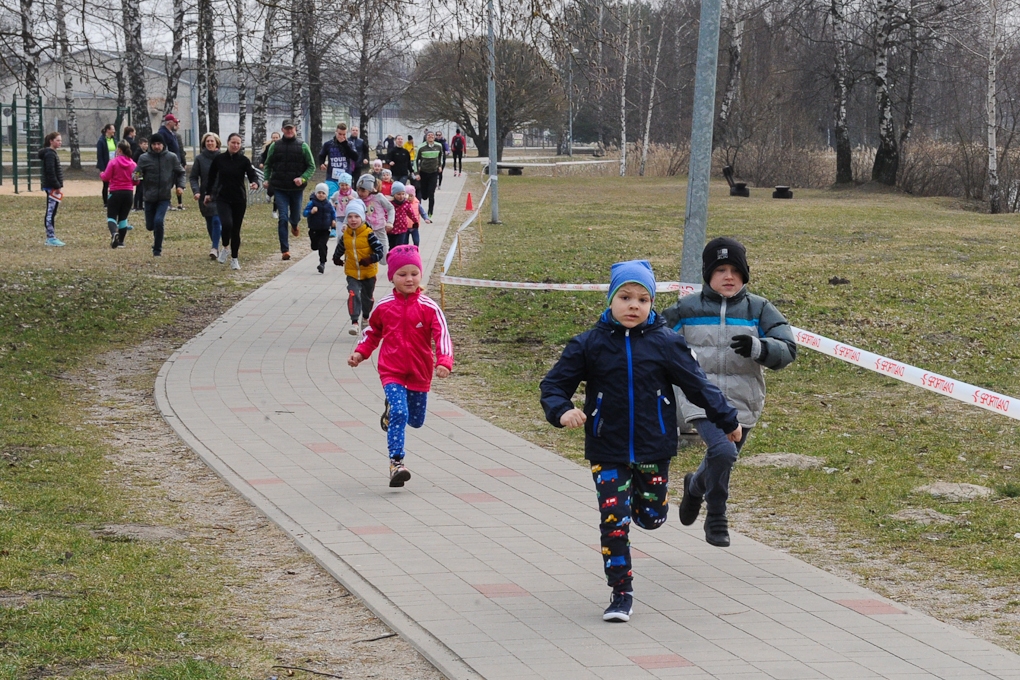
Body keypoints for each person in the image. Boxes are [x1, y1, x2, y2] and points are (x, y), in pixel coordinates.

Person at [540, 260, 741, 623]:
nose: (634, 305)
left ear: (651, 304)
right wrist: (562, 410)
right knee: (613, 520)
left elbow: (697, 385)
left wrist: (727, 418)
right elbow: (554, 386)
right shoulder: (589, 345)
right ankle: (621, 593)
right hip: (607, 447)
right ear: (610, 300)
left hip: (654, 447)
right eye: (625, 297)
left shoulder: (666, 343)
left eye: (643, 299)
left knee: (651, 519)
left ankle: (653, 501)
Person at [662, 237, 797, 547]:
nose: (728, 276)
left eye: (735, 270)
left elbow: (788, 348)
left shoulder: (759, 309)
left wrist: (760, 347)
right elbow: (655, 338)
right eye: (720, 269)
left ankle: (695, 487)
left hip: (743, 400)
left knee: (721, 457)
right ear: (708, 274)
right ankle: (717, 516)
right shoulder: (687, 308)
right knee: (722, 452)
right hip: (698, 396)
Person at [348, 245, 453, 487]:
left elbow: (442, 336)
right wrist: (360, 353)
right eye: (402, 274)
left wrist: (444, 361)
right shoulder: (384, 306)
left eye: (414, 273)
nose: (409, 279)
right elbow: (372, 332)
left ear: (421, 275)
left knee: (415, 420)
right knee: (400, 412)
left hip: (420, 371)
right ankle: (397, 463)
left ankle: (391, 414)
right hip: (391, 370)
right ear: (392, 277)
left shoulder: (429, 307)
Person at [203, 133, 260, 270]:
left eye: (238, 143)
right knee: (227, 224)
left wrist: (255, 183)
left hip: (239, 199)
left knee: (236, 230)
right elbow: (211, 178)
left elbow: (252, 174)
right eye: (233, 143)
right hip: (223, 198)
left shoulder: (244, 160)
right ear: (227, 143)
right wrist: (208, 194)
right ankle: (225, 247)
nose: (235, 145)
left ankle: (234, 258)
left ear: (240, 145)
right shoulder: (219, 159)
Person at [263, 119, 316, 261]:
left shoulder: (303, 146)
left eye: (291, 129)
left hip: (296, 189)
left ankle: (295, 224)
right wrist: (267, 179)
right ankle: (285, 250)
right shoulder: (275, 146)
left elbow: (311, 166)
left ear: (295, 130)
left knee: (295, 216)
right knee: (282, 217)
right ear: (282, 130)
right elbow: (268, 164)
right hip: (280, 188)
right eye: (286, 129)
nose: (289, 131)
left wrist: (303, 178)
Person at [332, 199, 384, 335]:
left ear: (362, 217)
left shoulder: (369, 234)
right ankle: (354, 322)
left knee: (367, 298)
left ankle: (365, 317)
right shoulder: (346, 236)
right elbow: (340, 248)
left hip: (368, 273)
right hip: (352, 272)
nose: (353, 220)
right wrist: (336, 257)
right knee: (353, 294)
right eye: (349, 216)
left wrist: (370, 259)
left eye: (356, 216)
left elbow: (380, 251)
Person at [135, 133, 186, 257]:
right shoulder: (144, 158)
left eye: (159, 144)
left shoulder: (171, 157)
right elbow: (137, 173)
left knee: (159, 221)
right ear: (151, 145)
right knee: (150, 225)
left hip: (164, 196)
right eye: (154, 144)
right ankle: (154, 234)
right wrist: (136, 177)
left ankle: (157, 249)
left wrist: (180, 186)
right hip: (148, 196)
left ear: (163, 145)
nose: (157, 147)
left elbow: (181, 172)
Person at [190, 132, 223, 260]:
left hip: (220, 194)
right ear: (204, 143)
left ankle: (214, 247)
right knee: (210, 221)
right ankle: (216, 244)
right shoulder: (200, 159)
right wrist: (196, 191)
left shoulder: (222, 157)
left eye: (212, 141)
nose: (210, 143)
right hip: (205, 195)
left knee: (216, 219)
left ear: (217, 143)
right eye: (207, 141)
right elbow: (193, 177)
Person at [99, 140, 138, 249]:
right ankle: (121, 242)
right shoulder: (134, 164)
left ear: (119, 150)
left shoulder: (113, 162)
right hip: (129, 194)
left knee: (111, 216)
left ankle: (114, 233)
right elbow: (137, 180)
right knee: (123, 217)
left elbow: (106, 177)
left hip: (115, 192)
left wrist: (101, 174)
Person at [356, 173, 394, 263]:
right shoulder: (357, 199)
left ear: (370, 190)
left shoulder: (378, 197)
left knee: (384, 258)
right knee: (367, 252)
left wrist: (390, 222)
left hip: (379, 227)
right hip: (365, 229)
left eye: (363, 191)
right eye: (358, 190)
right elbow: (351, 211)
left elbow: (390, 208)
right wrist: (346, 224)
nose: (360, 193)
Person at [39, 131, 66, 247]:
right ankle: (50, 237)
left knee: (52, 211)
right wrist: (57, 185)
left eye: (60, 140)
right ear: (51, 141)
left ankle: (51, 236)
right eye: (57, 140)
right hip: (51, 187)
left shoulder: (52, 153)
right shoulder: (50, 154)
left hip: (53, 186)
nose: (60, 142)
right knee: (50, 212)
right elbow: (50, 172)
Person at [318, 123, 360, 195]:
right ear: (336, 132)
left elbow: (355, 157)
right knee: (331, 199)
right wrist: (321, 163)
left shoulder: (350, 144)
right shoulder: (328, 144)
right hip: (331, 178)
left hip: (346, 178)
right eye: (340, 134)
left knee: (345, 200)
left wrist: (344, 144)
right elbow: (321, 155)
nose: (341, 136)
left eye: (344, 134)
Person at [304, 183, 337, 274]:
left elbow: (333, 213)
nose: (321, 195)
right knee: (315, 246)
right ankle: (314, 245)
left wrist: (333, 220)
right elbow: (304, 213)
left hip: (325, 229)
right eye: (319, 193)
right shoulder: (312, 203)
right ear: (315, 193)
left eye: (323, 193)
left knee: (322, 245)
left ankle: (322, 263)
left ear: (326, 194)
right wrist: (311, 211)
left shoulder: (328, 204)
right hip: (314, 228)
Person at [157, 115, 187, 211]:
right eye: (175, 122)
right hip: (167, 163)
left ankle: (170, 202)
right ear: (169, 122)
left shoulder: (172, 133)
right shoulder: (163, 133)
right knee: (167, 183)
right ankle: (165, 202)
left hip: (175, 162)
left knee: (173, 182)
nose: (176, 124)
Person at [414, 131, 446, 217]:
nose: (431, 136)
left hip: (434, 172)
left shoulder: (438, 146)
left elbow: (441, 156)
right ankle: (425, 196)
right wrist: (417, 173)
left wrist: (440, 166)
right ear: (426, 137)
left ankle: (430, 213)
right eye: (429, 135)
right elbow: (415, 160)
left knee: (432, 193)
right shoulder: (421, 147)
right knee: (424, 196)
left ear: (434, 137)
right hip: (423, 172)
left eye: (432, 135)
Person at [388, 181, 418, 250]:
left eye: (403, 194)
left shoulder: (406, 204)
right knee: (392, 247)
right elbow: (386, 213)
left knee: (400, 247)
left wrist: (415, 221)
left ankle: (399, 259)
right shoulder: (390, 204)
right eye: (398, 194)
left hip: (402, 229)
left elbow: (411, 213)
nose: (401, 196)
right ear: (393, 194)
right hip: (391, 230)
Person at [259, 131, 281, 219]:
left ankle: (274, 211)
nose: (275, 139)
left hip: (280, 171)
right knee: (272, 186)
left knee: (278, 191)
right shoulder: (269, 147)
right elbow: (263, 156)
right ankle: (269, 193)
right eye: (273, 137)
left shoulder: (282, 146)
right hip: (271, 170)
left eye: (276, 137)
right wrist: (261, 163)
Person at [96, 123, 117, 206]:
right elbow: (99, 155)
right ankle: (106, 202)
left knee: (113, 183)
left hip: (114, 164)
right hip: (106, 165)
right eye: (112, 129)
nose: (114, 131)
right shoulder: (101, 141)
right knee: (106, 184)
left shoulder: (114, 139)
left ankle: (112, 200)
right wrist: (102, 168)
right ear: (108, 130)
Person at [330, 171, 355, 239]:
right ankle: (340, 248)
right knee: (341, 235)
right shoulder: (337, 194)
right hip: (340, 217)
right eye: (342, 185)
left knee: (351, 236)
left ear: (350, 185)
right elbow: (331, 200)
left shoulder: (353, 193)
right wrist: (333, 204)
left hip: (351, 217)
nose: (344, 187)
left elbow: (359, 202)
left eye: (346, 185)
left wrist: (352, 199)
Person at [132, 137, 148, 211]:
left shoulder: (147, 153)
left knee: (142, 189)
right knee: (139, 189)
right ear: (140, 144)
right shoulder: (137, 153)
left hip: (144, 172)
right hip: (138, 172)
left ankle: (141, 205)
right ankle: (136, 205)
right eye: (144, 144)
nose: (146, 146)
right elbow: (134, 162)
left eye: (147, 144)